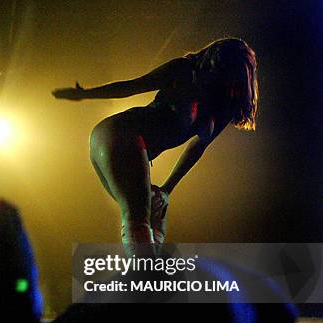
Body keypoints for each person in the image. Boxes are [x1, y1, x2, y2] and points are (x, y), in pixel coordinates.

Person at [52, 38, 258, 255]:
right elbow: (132, 86)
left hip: (128, 144)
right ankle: (147, 279)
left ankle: (145, 278)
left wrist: (167, 189)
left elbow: (197, 148)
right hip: (121, 133)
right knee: (138, 217)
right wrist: (85, 94)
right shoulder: (184, 71)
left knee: (153, 215)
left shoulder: (224, 105)